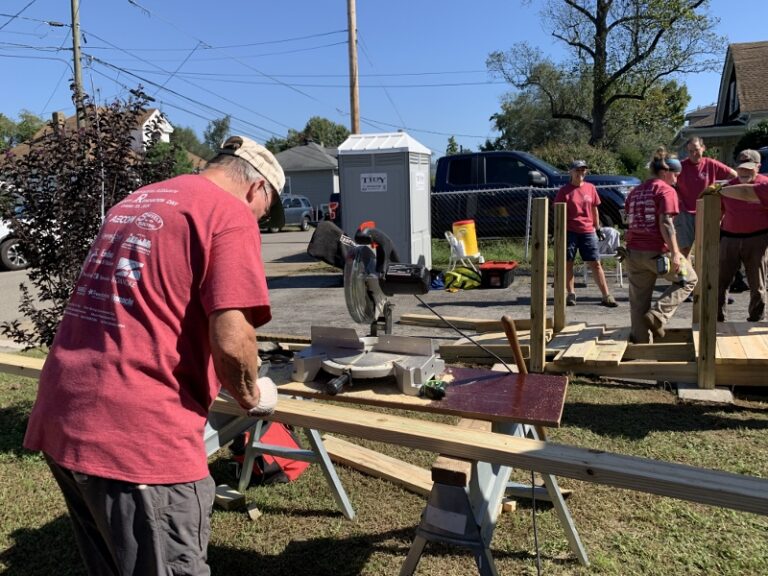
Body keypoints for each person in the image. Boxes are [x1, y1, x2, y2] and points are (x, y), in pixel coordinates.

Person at [23, 135, 286, 576]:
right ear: (256, 189)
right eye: (265, 209)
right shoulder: (230, 213)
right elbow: (231, 339)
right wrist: (252, 395)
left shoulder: (139, 200)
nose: (259, 219)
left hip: (65, 414)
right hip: (135, 437)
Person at [624, 147, 698, 343]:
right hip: (657, 252)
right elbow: (665, 222)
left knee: (639, 301)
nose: (677, 179)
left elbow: (628, 221)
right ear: (665, 172)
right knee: (689, 279)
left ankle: (640, 345)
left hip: (633, 253)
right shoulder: (665, 190)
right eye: (675, 175)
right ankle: (658, 314)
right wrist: (675, 253)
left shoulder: (635, 192)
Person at [702, 150, 768, 322]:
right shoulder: (727, 187)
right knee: (720, 281)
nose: (744, 172)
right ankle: (717, 318)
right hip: (729, 238)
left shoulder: (764, 185)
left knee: (757, 283)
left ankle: (756, 317)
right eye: (741, 169)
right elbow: (717, 214)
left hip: (758, 238)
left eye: (749, 169)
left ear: (758, 167)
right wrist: (711, 238)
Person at [554, 160, 618, 307]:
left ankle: (606, 295)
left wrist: (598, 228)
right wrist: (558, 232)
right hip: (569, 231)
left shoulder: (590, 188)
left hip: (588, 231)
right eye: (577, 170)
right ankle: (571, 294)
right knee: (567, 263)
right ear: (570, 172)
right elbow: (558, 212)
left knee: (595, 263)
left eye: (583, 170)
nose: (580, 173)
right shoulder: (564, 191)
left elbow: (595, 209)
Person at [675, 137, 736, 259]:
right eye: (690, 151)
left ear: (703, 148)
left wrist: (720, 188)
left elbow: (734, 176)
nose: (693, 154)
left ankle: (706, 276)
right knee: (684, 249)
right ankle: (683, 276)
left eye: (696, 150)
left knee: (708, 246)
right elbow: (669, 183)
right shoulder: (681, 167)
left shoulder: (710, 164)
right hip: (685, 212)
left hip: (706, 210)